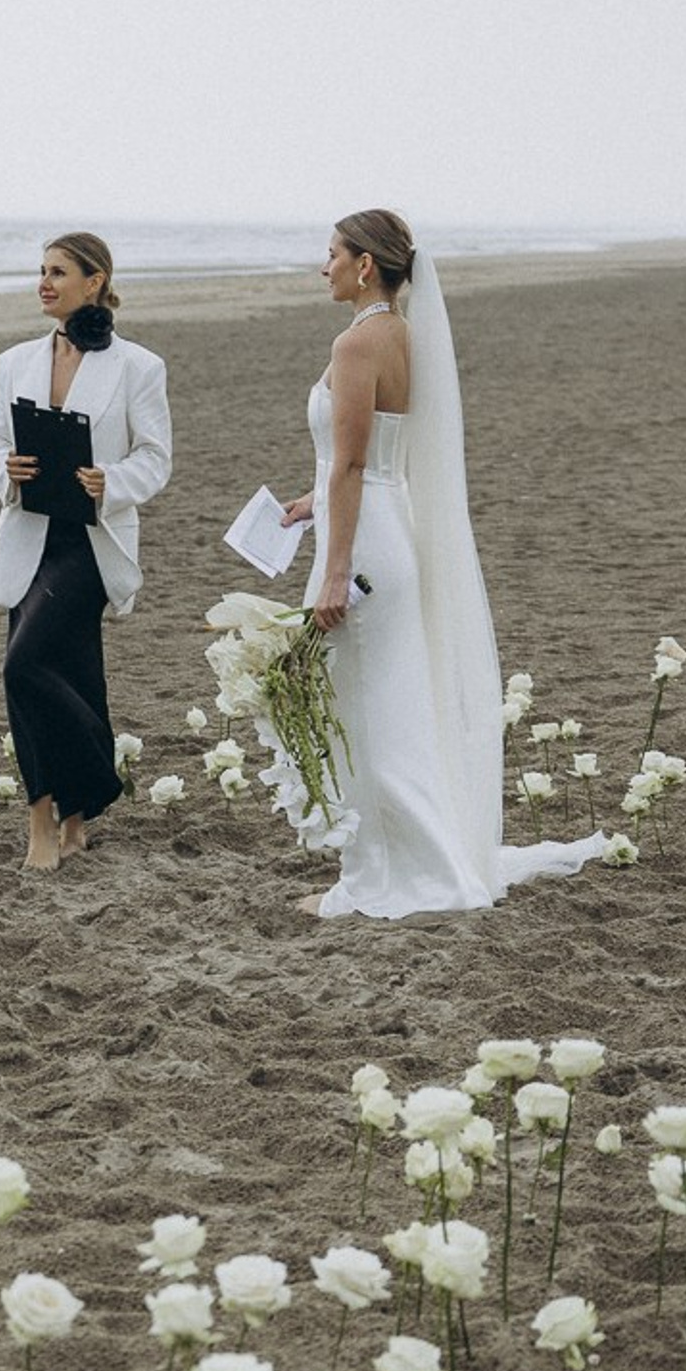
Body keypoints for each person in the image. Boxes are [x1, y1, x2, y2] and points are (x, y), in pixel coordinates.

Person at [280, 208, 604, 917]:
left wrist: (334, 570)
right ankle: (390, 862)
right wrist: (315, 497)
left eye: (332, 253)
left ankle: (387, 876)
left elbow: (357, 463)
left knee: (366, 715)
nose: (323, 265)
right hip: (388, 525)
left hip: (363, 542)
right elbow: (380, 454)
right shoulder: (403, 336)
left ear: (365, 264)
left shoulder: (356, 344)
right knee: (386, 703)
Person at [0, 233, 173, 871]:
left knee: (22, 665)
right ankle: (64, 821)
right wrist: (6, 469)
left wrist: (110, 481)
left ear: (94, 282)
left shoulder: (139, 366)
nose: (44, 281)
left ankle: (74, 799)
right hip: (28, 532)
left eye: (58, 271)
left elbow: (156, 457)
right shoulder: (13, 361)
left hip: (92, 541)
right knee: (74, 671)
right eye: (41, 270)